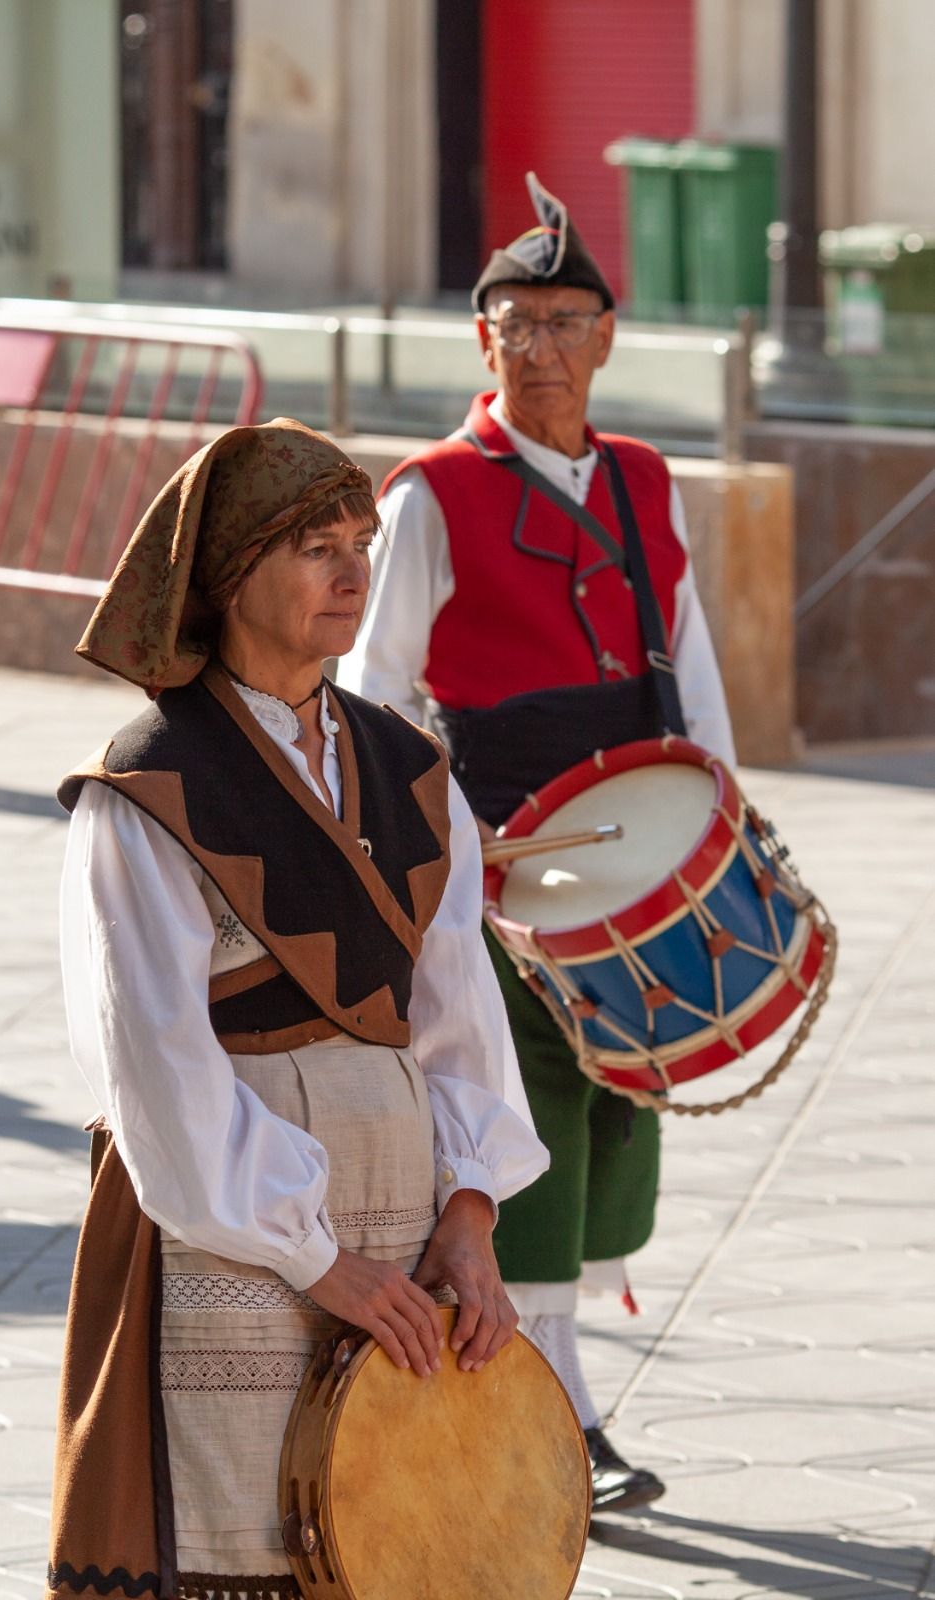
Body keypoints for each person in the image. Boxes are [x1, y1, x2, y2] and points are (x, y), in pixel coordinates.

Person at [45, 420, 549, 1600]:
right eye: (313, 546)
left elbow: (459, 1011)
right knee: (245, 1541)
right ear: (227, 579)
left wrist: (469, 1213)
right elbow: (152, 1066)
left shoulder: (413, 768)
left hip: (408, 1222)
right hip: (234, 1232)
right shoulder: (148, 788)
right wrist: (314, 1256)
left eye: (360, 543)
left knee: (395, 1539)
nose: (351, 572)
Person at [337, 172, 736, 1513]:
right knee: (537, 1118)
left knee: (626, 1104)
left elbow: (685, 654)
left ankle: (546, 1388)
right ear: (482, 338)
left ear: (608, 339)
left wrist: (722, 818)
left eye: (571, 319)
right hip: (506, 864)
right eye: (522, 319)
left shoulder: (640, 478)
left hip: (639, 857)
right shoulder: (430, 495)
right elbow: (377, 693)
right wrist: (448, 841)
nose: (547, 343)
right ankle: (558, 1416)